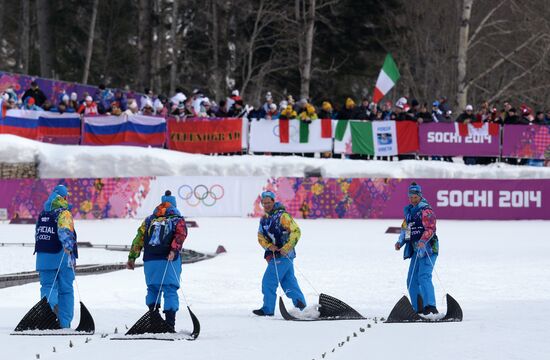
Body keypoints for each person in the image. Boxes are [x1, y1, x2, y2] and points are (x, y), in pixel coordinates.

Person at [126, 190, 188, 331]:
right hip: (168, 260)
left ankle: (154, 321)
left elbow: (138, 239)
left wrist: (132, 258)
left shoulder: (148, 220)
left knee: (153, 288)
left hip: (150, 261)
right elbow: (180, 235)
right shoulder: (177, 219)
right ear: (174, 205)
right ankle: (169, 325)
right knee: (170, 289)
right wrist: (173, 250)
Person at [253, 191, 306, 316]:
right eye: (264, 203)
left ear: (273, 201)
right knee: (289, 283)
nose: (266, 205)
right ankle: (302, 308)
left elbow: (296, 231)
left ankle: (268, 309)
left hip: (284, 255)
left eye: (268, 202)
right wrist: (269, 246)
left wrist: (286, 247)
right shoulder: (264, 218)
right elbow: (260, 236)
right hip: (275, 255)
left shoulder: (283, 216)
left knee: (268, 281)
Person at [34, 184, 77, 328]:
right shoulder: (63, 213)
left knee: (47, 287)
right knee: (65, 290)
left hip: (43, 257)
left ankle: (47, 319)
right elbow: (65, 231)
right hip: (61, 257)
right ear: (64, 197)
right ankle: (64, 323)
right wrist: (69, 247)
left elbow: (38, 234)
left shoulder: (43, 214)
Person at [394, 182, 439, 315]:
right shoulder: (409, 213)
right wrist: (400, 242)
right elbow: (406, 230)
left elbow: (431, 228)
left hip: (428, 249)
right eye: (410, 197)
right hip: (416, 251)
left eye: (415, 197)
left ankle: (430, 306)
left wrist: (423, 241)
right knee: (411, 279)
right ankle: (417, 307)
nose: (413, 200)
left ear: (420, 196)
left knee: (424, 276)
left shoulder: (426, 211)